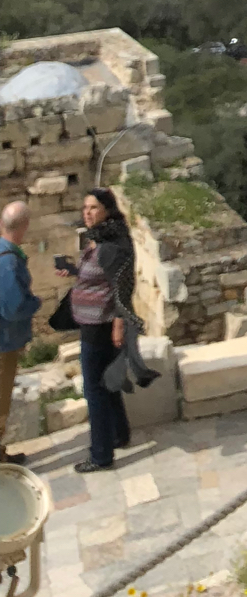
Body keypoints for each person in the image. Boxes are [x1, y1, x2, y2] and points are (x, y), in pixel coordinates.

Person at [59, 186, 136, 473]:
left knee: (94, 390)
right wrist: (74, 271)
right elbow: (100, 276)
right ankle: (119, 434)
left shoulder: (114, 243)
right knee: (108, 384)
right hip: (94, 322)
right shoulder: (102, 238)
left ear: (107, 210)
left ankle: (101, 455)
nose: (87, 213)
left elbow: (123, 286)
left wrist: (118, 323)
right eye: (84, 208)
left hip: (100, 326)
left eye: (93, 208)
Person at [0, 201, 41, 462]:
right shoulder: (9, 262)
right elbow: (13, 308)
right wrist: (35, 303)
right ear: (25, 226)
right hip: (3, 343)